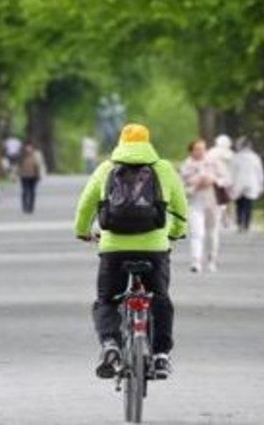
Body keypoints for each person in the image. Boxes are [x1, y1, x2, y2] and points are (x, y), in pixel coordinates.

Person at [75, 123, 188, 380]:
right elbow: (181, 209)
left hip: (114, 248)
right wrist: (177, 232)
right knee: (160, 298)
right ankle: (161, 356)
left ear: (121, 142)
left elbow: (85, 206)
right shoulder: (164, 169)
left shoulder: (106, 169)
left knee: (106, 300)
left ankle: (111, 345)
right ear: (148, 142)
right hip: (155, 248)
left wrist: (83, 230)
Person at [180, 139, 220, 273]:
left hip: (213, 203)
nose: (200, 152)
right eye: (197, 149)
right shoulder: (186, 166)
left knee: (212, 233)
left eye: (203, 148)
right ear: (191, 151)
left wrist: (213, 180)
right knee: (197, 233)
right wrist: (196, 184)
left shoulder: (213, 162)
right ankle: (196, 261)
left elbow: (226, 180)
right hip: (195, 203)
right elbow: (181, 188)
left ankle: (212, 260)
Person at [230, 136, 264, 232]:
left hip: (239, 183)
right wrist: (261, 184)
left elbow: (232, 172)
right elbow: (260, 172)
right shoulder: (255, 157)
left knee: (239, 205)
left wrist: (231, 184)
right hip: (251, 183)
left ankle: (239, 223)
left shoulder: (236, 157)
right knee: (248, 205)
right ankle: (246, 224)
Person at [206, 134, 235, 229]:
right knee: (228, 200)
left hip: (215, 180)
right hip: (227, 180)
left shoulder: (211, 152)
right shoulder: (230, 153)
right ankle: (227, 219)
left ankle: (219, 217)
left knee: (217, 199)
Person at [16, 141, 46, 214]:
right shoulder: (21, 155)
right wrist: (16, 174)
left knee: (32, 191)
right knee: (25, 191)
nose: (28, 148)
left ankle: (31, 207)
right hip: (24, 175)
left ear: (32, 147)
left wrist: (40, 174)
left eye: (30, 147)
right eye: (27, 147)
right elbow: (18, 166)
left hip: (34, 175)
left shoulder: (37, 154)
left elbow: (40, 165)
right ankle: (25, 206)